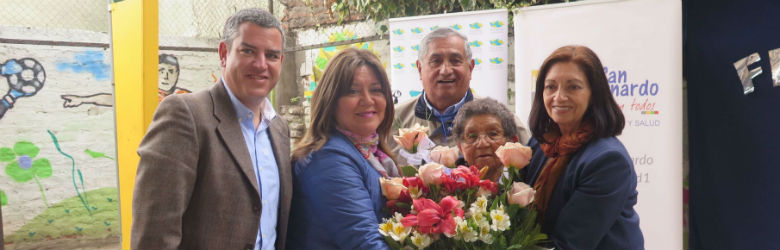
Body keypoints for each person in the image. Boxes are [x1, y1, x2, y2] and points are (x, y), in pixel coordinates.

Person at [131, 8, 291, 250]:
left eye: (271, 55)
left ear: (281, 61)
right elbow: (154, 233)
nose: (261, 64)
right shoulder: (185, 115)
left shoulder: (279, 130)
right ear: (224, 54)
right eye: (248, 51)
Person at [521, 45, 643, 249]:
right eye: (550, 86)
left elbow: (571, 244)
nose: (559, 97)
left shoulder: (608, 161)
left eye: (573, 87)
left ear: (594, 94)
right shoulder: (540, 144)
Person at [288, 48, 396, 250]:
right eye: (352, 91)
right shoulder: (328, 159)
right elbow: (365, 243)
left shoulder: (373, 153)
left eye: (376, 90)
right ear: (330, 101)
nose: (367, 100)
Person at [390, 27, 530, 165]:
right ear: (420, 69)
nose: (445, 70)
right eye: (436, 61)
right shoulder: (392, 122)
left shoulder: (502, 121)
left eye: (455, 60)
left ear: (470, 68)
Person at [60, 54, 190, 107]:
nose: (166, 77)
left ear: (177, 74)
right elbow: (112, 99)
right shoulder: (146, 95)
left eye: (171, 72)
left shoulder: (186, 97)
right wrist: (82, 99)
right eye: (161, 71)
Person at [451, 97, 521, 182]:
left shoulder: (527, 183)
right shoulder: (450, 188)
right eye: (472, 136)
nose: (482, 144)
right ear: (460, 147)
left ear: (512, 141)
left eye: (493, 134)